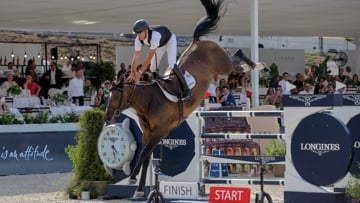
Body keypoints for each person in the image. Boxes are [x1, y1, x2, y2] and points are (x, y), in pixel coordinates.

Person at [127, 19, 191, 100]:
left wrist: (139, 73)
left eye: (139, 33)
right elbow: (136, 56)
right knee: (152, 68)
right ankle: (157, 89)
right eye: (137, 33)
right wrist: (133, 72)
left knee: (171, 64)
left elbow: (149, 57)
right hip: (159, 45)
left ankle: (186, 90)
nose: (138, 35)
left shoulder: (155, 36)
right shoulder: (138, 39)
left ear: (146, 30)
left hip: (169, 40)